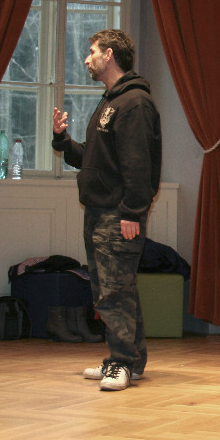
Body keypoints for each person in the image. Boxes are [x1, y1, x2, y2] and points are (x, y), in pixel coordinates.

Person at [52, 29, 161, 391]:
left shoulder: (134, 103)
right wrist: (63, 142)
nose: (87, 58)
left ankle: (122, 363)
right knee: (113, 290)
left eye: (93, 51)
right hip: (101, 212)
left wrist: (132, 212)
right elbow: (96, 160)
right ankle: (129, 360)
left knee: (115, 292)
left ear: (110, 54)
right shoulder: (111, 101)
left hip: (118, 214)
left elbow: (138, 164)